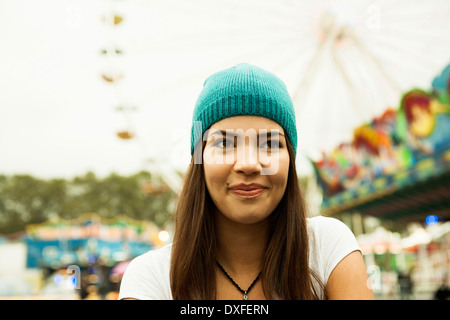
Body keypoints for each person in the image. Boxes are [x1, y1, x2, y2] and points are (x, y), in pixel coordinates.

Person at [118, 63, 374, 300]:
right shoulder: (151, 278)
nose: (249, 164)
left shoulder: (328, 248)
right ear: (199, 158)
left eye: (270, 143)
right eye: (225, 143)